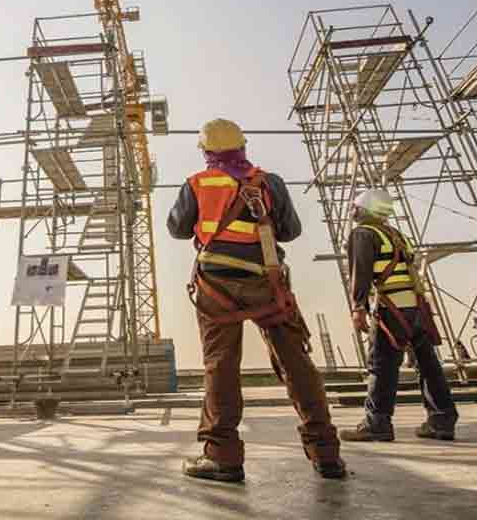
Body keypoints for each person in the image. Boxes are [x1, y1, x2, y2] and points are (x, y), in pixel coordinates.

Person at [168, 119, 344, 483]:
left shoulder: (197, 183)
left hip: (216, 286)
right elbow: (292, 231)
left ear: (206, 152)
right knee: (296, 361)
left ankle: (222, 457)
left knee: (221, 364)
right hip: (268, 282)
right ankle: (326, 454)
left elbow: (177, 229)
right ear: (243, 147)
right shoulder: (270, 182)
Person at [339, 189, 458, 442]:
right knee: (428, 364)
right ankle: (442, 420)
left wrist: (358, 307)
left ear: (365, 209)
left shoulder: (363, 234)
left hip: (392, 308)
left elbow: (360, 272)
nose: (352, 211)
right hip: (416, 307)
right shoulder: (396, 235)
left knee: (381, 366)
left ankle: (377, 424)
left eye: (355, 207)